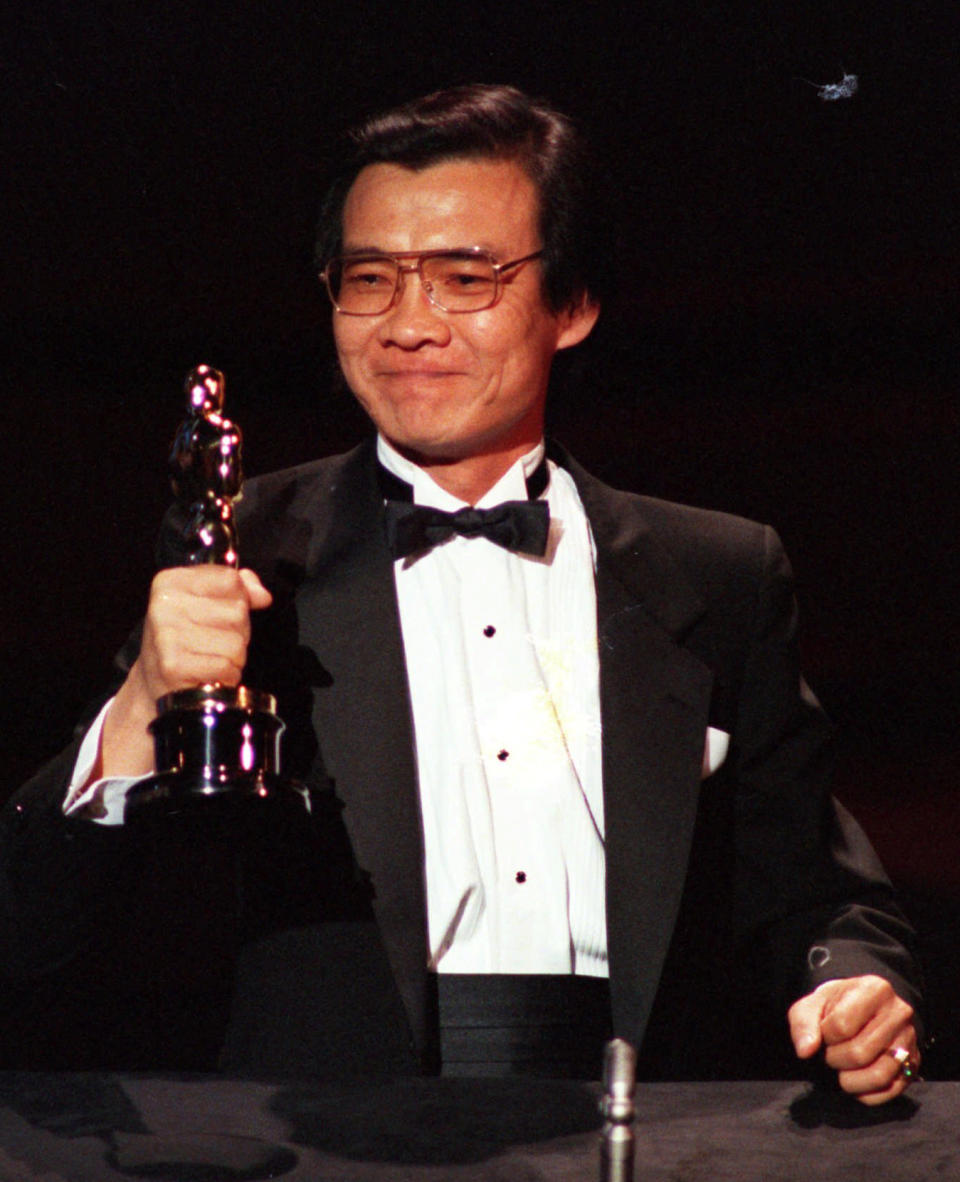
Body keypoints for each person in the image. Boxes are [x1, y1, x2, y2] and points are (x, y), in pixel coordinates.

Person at [0, 84, 922, 1100]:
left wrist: (855, 989)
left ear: (571, 304)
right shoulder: (242, 554)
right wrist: (139, 709)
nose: (409, 323)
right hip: (327, 1139)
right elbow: (29, 930)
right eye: (370, 279)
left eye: (462, 276)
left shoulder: (718, 574)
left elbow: (817, 893)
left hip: (647, 1131)